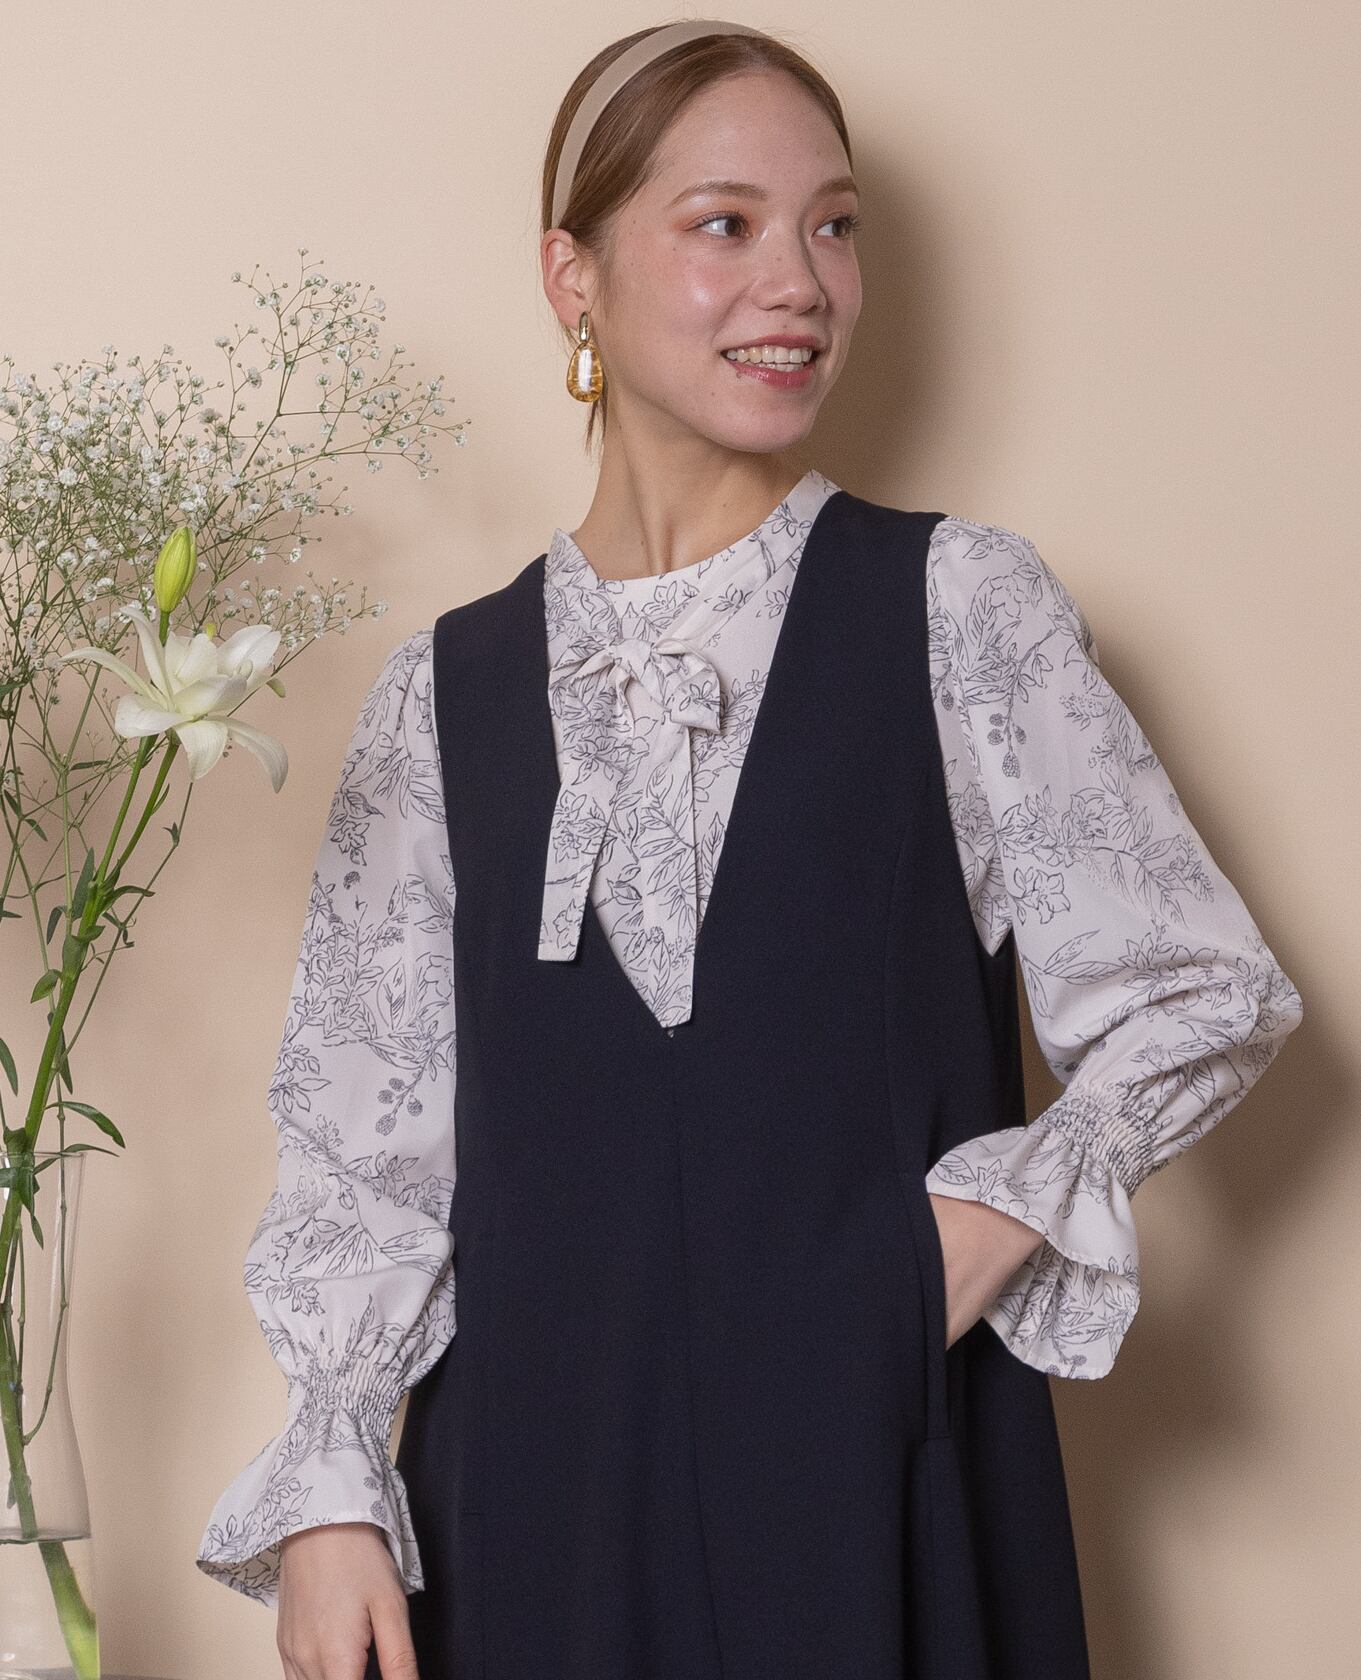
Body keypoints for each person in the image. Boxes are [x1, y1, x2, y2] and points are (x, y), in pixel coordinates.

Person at [195, 20, 1304, 1679]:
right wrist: (335, 1495)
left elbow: (1202, 990)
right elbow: (365, 1157)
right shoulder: (445, 694)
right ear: (572, 277)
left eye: (834, 226)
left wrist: (968, 1237)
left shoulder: (958, 609)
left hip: (877, 1469)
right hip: (531, 1503)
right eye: (725, 224)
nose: (800, 283)